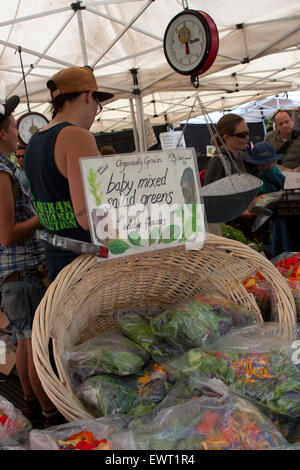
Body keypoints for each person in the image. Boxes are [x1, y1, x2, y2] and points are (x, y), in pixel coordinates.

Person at [0, 95, 64, 428]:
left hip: (15, 276)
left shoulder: (7, 169)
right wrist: (42, 218)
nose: (17, 133)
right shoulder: (1, 171)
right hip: (21, 272)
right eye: (13, 126)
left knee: (24, 342)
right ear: (3, 133)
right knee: (32, 346)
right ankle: (50, 417)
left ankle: (33, 411)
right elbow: (7, 233)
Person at [24, 66, 113, 282]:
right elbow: (91, 218)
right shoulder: (77, 136)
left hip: (58, 266)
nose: (95, 111)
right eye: (97, 105)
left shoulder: (34, 141)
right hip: (87, 269)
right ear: (88, 95)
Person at [203, 113, 249, 185]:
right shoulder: (218, 161)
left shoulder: (238, 157)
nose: (247, 137)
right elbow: (209, 194)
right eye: (242, 135)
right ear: (226, 138)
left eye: (247, 133)